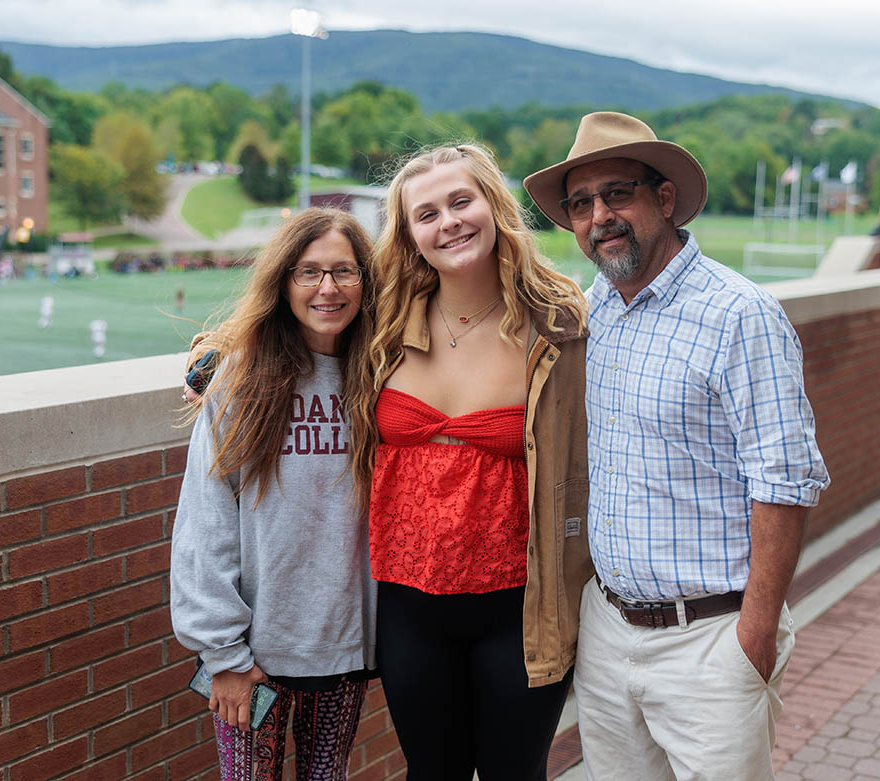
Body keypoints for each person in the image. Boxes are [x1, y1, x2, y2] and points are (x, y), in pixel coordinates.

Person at [524, 112, 830, 780]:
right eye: (581, 203)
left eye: (617, 194)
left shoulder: (739, 313)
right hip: (607, 630)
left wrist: (753, 638)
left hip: (711, 636)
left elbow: (785, 480)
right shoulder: (591, 310)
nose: (599, 215)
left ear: (664, 199)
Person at [359, 143, 593, 779]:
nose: (449, 222)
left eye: (461, 201)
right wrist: (210, 359)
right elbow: (285, 324)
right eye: (426, 214)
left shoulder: (561, 324)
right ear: (409, 235)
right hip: (409, 605)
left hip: (521, 608)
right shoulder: (379, 322)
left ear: (494, 206)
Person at [170, 208, 379, 780]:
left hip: (345, 646)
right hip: (252, 656)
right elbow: (205, 524)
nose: (328, 288)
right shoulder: (239, 379)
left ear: (367, 281)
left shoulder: (383, 376)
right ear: (283, 281)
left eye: (345, 271)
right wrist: (223, 656)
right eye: (308, 272)